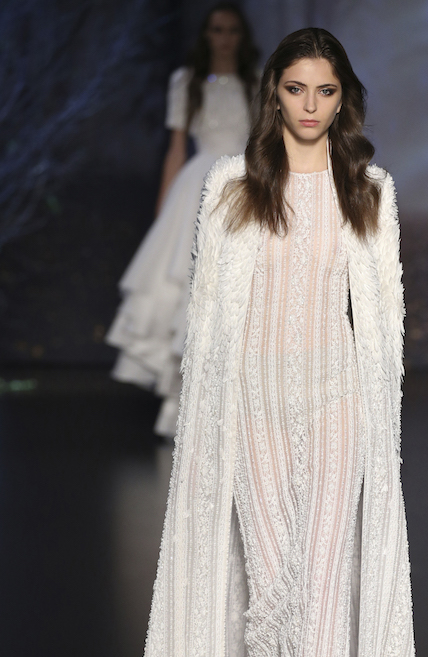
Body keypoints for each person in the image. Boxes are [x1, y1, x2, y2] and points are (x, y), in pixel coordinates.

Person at [90, 28, 428, 657]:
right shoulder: (231, 186)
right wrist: (204, 425)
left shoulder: (368, 188)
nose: (309, 107)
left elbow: (386, 321)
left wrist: (380, 428)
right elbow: (209, 323)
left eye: (325, 92)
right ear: (274, 95)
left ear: (344, 98)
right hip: (253, 408)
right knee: (271, 601)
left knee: (326, 589)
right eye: (295, 90)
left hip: (336, 407)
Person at [106, 3, 259, 436]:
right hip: (197, 190)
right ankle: (183, 409)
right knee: (187, 287)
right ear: (206, 34)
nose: (224, 37)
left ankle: (234, 412)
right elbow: (176, 148)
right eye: (217, 29)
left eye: (231, 29)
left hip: (243, 186)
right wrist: (163, 212)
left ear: (241, 36)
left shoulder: (256, 83)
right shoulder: (186, 82)